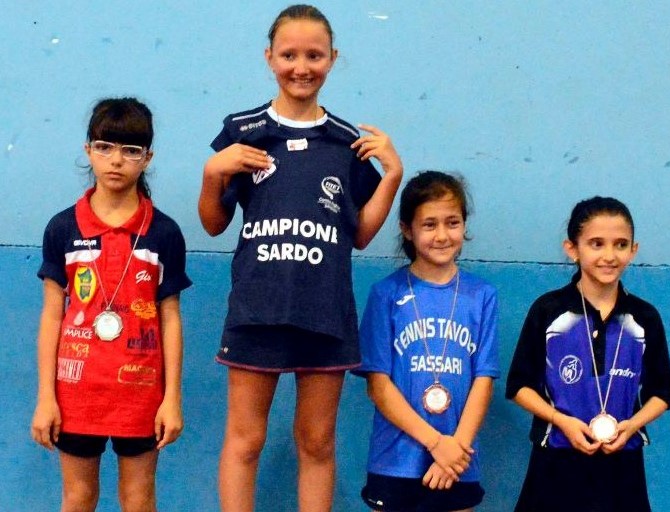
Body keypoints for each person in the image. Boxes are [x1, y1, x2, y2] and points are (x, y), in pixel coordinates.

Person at [197, 4, 403, 512]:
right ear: (270, 57)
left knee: (316, 442)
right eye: (289, 55)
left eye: (314, 55)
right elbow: (213, 223)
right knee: (245, 441)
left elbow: (360, 235)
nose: (301, 67)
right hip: (257, 309)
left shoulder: (346, 143)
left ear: (333, 58)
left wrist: (393, 176)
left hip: (324, 312)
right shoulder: (242, 130)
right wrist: (212, 172)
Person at [30, 97, 192, 512]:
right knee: (78, 496)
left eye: (130, 150)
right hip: (76, 393)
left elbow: (170, 319)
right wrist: (46, 397)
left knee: (138, 498)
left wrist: (171, 398)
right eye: (104, 147)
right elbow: (52, 316)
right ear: (88, 150)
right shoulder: (63, 228)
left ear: (147, 158)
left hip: (141, 394)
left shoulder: (163, 233)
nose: (116, 160)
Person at [506, 196, 670, 512]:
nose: (609, 255)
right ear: (572, 249)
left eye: (620, 244)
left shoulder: (645, 317)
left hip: (622, 462)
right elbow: (518, 386)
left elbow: (663, 391)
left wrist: (631, 425)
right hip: (555, 459)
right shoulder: (548, 310)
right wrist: (561, 421)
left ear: (633, 250)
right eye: (596, 244)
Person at [356, 171, 500, 512]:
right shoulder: (386, 294)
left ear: (464, 225)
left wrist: (455, 450)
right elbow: (378, 387)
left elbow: (483, 381)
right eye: (429, 224)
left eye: (452, 223)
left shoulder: (482, 296)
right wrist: (436, 443)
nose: (442, 235)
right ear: (407, 229)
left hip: (459, 460)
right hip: (395, 460)